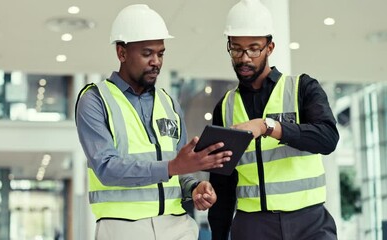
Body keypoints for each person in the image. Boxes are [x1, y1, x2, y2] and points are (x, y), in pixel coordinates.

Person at [75, 4, 233, 240]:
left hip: (177, 226)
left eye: (160, 53)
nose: (156, 62)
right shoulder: (95, 100)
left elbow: (179, 170)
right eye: (147, 53)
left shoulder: (169, 103)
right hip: (123, 228)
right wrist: (172, 167)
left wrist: (194, 188)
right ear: (122, 53)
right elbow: (106, 168)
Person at [207, 0, 340, 239]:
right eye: (236, 48)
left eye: (254, 48)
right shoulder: (225, 107)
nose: (244, 58)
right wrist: (218, 234)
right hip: (252, 225)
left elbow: (328, 138)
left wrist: (269, 126)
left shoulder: (302, 88)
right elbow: (223, 183)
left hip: (309, 222)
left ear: (270, 48)